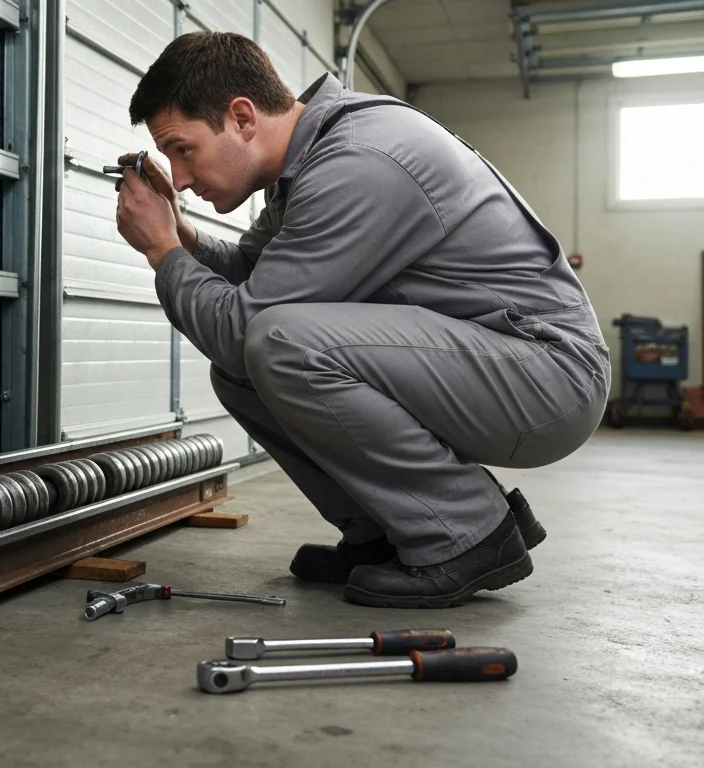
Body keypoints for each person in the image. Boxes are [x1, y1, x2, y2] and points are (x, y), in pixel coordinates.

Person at [111, 31, 610, 608]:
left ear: (242, 117)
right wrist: (182, 234)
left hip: (548, 378)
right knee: (246, 368)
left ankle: (467, 532)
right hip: (500, 363)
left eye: (183, 149)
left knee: (277, 343)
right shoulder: (314, 153)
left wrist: (161, 251)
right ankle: (384, 533)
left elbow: (242, 325)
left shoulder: (357, 161)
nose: (181, 178)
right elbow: (255, 273)